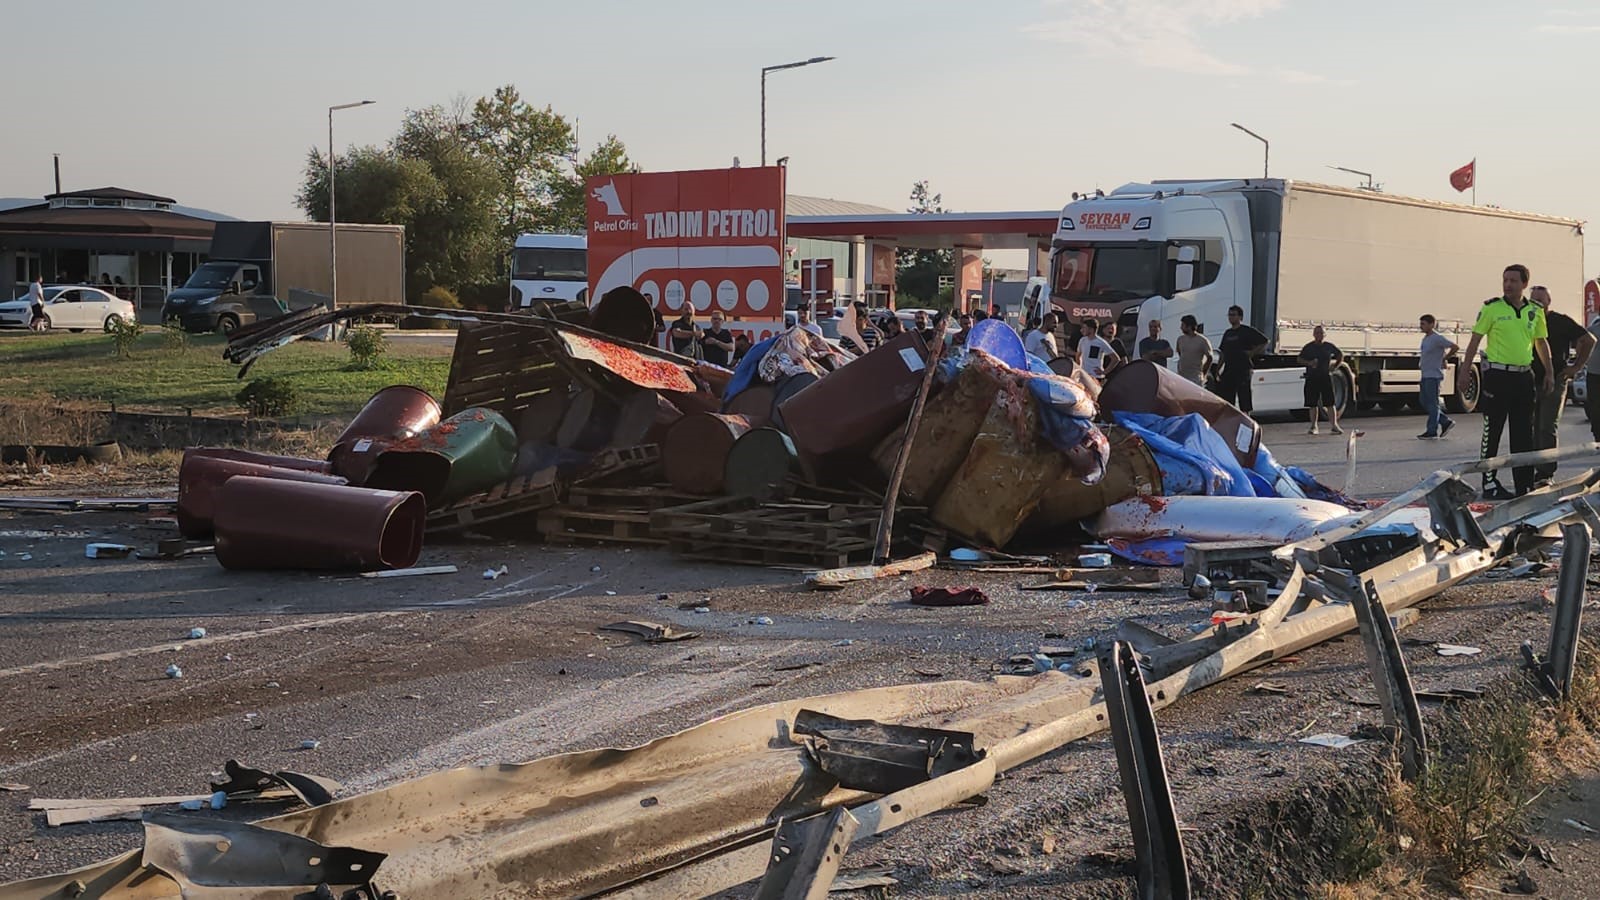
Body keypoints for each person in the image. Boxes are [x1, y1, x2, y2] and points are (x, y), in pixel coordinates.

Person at [1456, 264, 1553, 500]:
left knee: (1523, 434)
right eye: (1505, 280)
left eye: (1513, 280)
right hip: (1498, 377)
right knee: (1493, 429)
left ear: (1524, 284)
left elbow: (1541, 342)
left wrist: (1549, 372)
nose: (1508, 284)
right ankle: (1489, 482)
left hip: (1523, 376)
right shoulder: (1492, 308)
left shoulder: (1535, 311)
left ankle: (1524, 485)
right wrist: (1465, 371)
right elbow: (1475, 340)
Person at [1528, 286, 1595, 485]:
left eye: (1541, 300)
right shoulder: (1526, 319)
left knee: (1546, 426)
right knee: (1530, 427)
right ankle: (1528, 469)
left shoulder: (1560, 321)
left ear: (1549, 301)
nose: (1537, 304)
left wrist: (1576, 367)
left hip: (1555, 379)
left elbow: (1589, 339)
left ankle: (1545, 473)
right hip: (1529, 378)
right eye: (1533, 300)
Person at [1215, 305, 1267, 412]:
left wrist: (1252, 353)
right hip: (1229, 369)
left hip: (1243, 369)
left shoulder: (1246, 331)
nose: (1231, 317)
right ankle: (1230, 421)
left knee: (1244, 397)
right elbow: (1223, 353)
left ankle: (1247, 420)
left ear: (1240, 317)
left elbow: (1265, 341)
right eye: (1229, 315)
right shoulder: (1228, 333)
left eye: (1233, 315)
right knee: (1228, 398)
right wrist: (1218, 368)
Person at [1417, 314, 1459, 440]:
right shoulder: (1426, 338)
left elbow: (1455, 347)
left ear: (1432, 324)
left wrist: (1444, 358)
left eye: (1423, 324)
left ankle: (1432, 431)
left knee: (1433, 403)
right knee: (1424, 401)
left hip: (1434, 375)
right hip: (1425, 374)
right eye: (1421, 324)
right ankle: (1445, 421)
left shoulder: (1437, 338)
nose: (1421, 326)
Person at [1297, 325, 1344, 435]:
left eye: (1321, 333)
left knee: (1330, 402)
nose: (1319, 335)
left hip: (1325, 377)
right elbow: (1299, 359)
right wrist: (1309, 363)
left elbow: (1340, 354)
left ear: (1324, 335)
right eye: (1317, 333)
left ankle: (1334, 426)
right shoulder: (1308, 347)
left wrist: (1335, 366)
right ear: (1314, 334)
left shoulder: (1328, 346)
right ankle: (1314, 426)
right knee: (1312, 403)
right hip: (1312, 377)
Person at [1175, 315, 1213, 385]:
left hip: (1196, 378)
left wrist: (1204, 373)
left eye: (1182, 325)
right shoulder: (1180, 339)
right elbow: (1181, 355)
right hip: (1181, 377)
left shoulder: (1202, 340)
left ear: (1189, 326)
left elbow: (1210, 357)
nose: (1180, 327)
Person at [1586, 313, 1600, 445]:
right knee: (1595, 407)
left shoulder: (1592, 329)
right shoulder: (1593, 330)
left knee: (1595, 407)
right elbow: (1581, 343)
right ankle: (1597, 435)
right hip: (1594, 374)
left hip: (1593, 373)